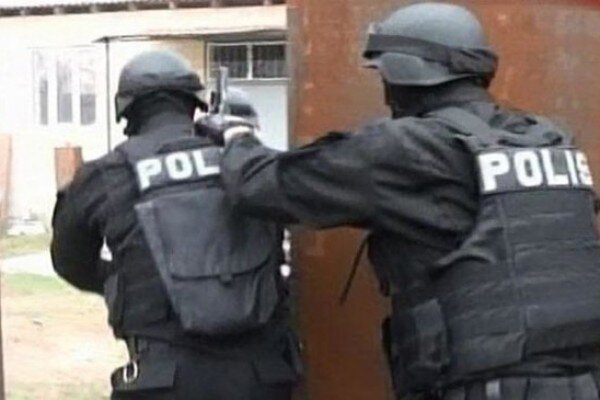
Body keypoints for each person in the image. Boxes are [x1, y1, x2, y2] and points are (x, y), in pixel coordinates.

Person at [198, 3, 600, 400]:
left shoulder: (408, 147)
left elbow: (260, 184)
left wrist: (237, 136)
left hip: (490, 385)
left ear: (401, 75)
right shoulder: (550, 140)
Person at [51, 50, 299, 400]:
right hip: (263, 377)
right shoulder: (245, 162)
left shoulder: (106, 174)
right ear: (194, 103)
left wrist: (125, 280)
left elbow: (70, 262)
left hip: (163, 377)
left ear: (127, 111)